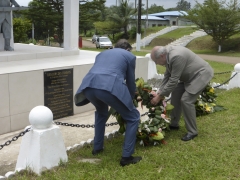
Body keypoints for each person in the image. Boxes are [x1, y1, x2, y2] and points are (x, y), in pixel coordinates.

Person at [74, 39, 142, 166]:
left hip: (89, 86)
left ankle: (97, 148)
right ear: (127, 49)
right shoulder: (129, 56)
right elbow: (130, 81)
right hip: (108, 87)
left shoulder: (101, 54)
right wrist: (132, 96)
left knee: (101, 113)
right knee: (133, 117)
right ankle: (126, 157)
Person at [150, 46, 214, 141]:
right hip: (189, 76)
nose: (156, 63)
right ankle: (174, 123)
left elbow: (173, 80)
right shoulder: (167, 56)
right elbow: (167, 76)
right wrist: (159, 92)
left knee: (186, 100)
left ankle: (192, 132)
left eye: (156, 61)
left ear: (162, 56)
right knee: (176, 92)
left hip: (200, 75)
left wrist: (159, 97)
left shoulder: (176, 56)